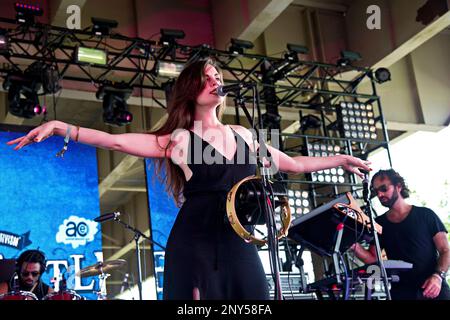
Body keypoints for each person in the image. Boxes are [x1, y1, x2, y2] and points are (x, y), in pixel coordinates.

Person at [6, 58, 371, 300]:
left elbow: (291, 163)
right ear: (191, 89)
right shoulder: (183, 138)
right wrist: (61, 127)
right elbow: (117, 140)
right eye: (207, 78)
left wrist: (340, 158)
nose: (215, 81)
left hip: (240, 240)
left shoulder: (245, 134)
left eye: (218, 77)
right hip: (196, 243)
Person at [351, 169, 450, 300]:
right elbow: (374, 259)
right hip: (402, 292)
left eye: (384, 188)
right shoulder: (378, 224)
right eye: (376, 191)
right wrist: (351, 245)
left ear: (398, 186)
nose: (380, 194)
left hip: (434, 289)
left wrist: (438, 276)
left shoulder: (426, 215)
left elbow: (445, 250)